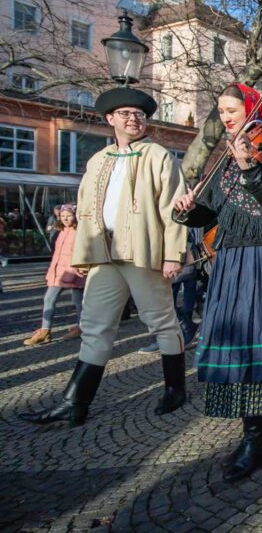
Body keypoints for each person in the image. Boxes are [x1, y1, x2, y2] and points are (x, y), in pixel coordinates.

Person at [18, 87, 187, 427]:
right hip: (104, 255)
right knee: (95, 327)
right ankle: (74, 403)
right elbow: (84, 209)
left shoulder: (158, 156)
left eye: (139, 114)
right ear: (111, 119)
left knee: (161, 321)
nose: (134, 118)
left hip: (142, 252)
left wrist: (174, 254)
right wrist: (82, 253)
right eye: (125, 113)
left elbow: (174, 208)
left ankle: (175, 389)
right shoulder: (98, 160)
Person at [173, 83, 262, 483]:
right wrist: (187, 211)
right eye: (220, 109)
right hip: (230, 258)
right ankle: (252, 430)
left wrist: (251, 168)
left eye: (232, 107)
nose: (226, 114)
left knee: (256, 345)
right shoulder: (224, 162)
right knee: (234, 346)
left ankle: (258, 437)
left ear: (252, 107)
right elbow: (211, 214)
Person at [24, 204, 85, 346]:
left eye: (68, 215)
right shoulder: (61, 230)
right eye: (63, 216)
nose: (65, 218)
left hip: (75, 271)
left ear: (75, 216)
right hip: (59, 271)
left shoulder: (80, 231)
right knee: (49, 298)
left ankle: (81, 327)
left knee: (78, 302)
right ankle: (45, 331)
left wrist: (80, 268)